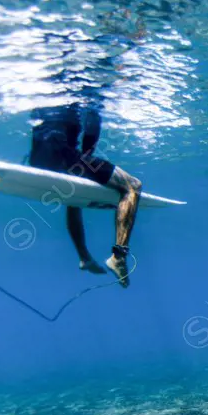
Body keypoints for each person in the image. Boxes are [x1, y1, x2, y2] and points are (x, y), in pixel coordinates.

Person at [28, 103, 142, 287]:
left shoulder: (42, 94)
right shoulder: (89, 94)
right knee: (133, 186)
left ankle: (84, 257)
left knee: (75, 189)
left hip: (38, 161)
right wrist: (86, 162)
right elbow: (92, 130)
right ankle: (118, 257)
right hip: (64, 158)